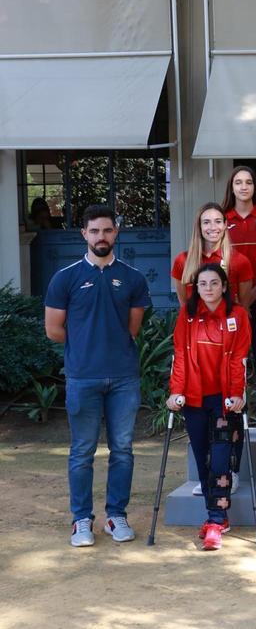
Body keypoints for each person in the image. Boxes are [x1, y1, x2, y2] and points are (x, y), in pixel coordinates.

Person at [45, 205, 152, 547]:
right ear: (84, 235)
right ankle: (81, 520)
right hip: (82, 378)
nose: (101, 237)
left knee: (123, 449)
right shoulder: (65, 277)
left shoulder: (133, 278)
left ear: (115, 233)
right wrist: (88, 346)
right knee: (82, 452)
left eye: (107, 231)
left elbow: (132, 328)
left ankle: (115, 516)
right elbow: (53, 330)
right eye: (94, 231)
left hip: (123, 378)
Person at [168, 263, 252, 551]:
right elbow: (179, 355)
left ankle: (215, 520)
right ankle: (217, 515)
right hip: (194, 398)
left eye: (214, 283)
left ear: (224, 286)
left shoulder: (237, 315)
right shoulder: (187, 315)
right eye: (202, 284)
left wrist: (237, 393)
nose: (208, 289)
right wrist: (175, 391)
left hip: (224, 400)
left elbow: (239, 358)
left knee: (219, 461)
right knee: (203, 459)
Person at [222, 166, 256, 437]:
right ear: (231, 187)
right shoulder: (221, 220)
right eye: (238, 182)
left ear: (255, 187)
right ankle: (230, 417)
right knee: (232, 361)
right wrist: (238, 303)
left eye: (249, 182)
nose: (243, 187)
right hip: (230, 305)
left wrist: (251, 297)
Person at [171, 202, 255, 307]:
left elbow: (244, 307)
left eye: (218, 221)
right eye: (206, 222)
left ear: (225, 225)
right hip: (196, 322)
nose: (213, 227)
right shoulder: (182, 261)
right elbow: (184, 306)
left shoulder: (240, 261)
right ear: (199, 226)